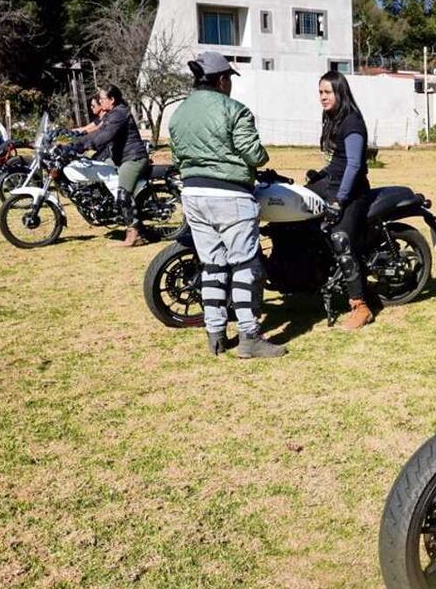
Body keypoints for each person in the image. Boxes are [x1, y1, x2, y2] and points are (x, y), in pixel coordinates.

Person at [168, 52, 286, 359]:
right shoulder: (235, 110)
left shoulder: (179, 113)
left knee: (212, 265)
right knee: (243, 265)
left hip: (193, 195)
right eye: (229, 79)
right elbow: (254, 155)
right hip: (231, 196)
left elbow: (177, 159)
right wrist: (259, 155)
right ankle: (249, 336)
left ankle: (216, 334)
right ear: (222, 80)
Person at [308, 71, 374, 330]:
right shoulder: (332, 118)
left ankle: (360, 305)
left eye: (327, 92)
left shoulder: (352, 122)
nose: (323, 97)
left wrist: (339, 202)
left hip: (352, 191)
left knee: (340, 238)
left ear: (339, 93)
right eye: (320, 92)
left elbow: (354, 165)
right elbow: (338, 160)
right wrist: (319, 176)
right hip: (332, 183)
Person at [70, 85, 150, 246]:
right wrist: (73, 144)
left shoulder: (119, 113)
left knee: (123, 194)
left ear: (112, 99)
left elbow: (105, 135)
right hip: (119, 157)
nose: (99, 102)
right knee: (93, 167)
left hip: (132, 158)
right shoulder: (112, 114)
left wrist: (81, 146)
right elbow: (96, 131)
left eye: (102, 99)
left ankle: (135, 235)